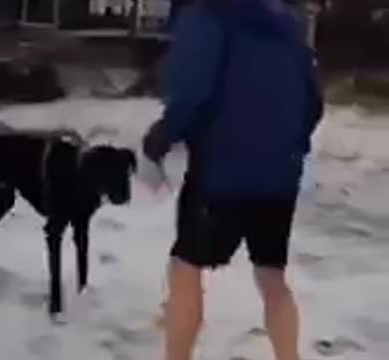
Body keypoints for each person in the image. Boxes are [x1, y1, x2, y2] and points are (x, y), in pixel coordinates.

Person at [142, 0, 324, 359]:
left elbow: (192, 94)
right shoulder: (288, 27)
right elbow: (313, 104)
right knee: (272, 275)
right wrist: (288, 148)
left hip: (221, 174)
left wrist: (158, 141)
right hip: (280, 177)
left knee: (185, 265)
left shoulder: (207, 16)